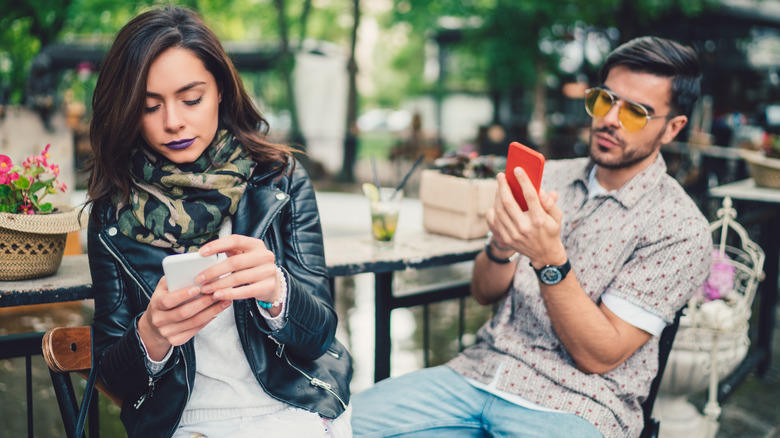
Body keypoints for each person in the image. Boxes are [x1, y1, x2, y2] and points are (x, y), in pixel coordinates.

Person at [351, 36, 712, 438]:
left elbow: (600, 355)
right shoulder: (550, 176)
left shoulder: (680, 228)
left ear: (673, 128)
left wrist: (549, 259)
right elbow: (483, 292)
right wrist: (502, 246)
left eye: (635, 113)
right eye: (604, 100)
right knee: (335, 425)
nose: (610, 118)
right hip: (478, 374)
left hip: (578, 405)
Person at [84, 6, 352, 438]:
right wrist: (151, 334)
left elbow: (319, 334)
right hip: (183, 423)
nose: (174, 122)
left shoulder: (278, 179)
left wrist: (277, 292)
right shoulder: (113, 213)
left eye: (192, 99)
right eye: (150, 107)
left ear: (222, 91)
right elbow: (113, 376)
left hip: (293, 407)